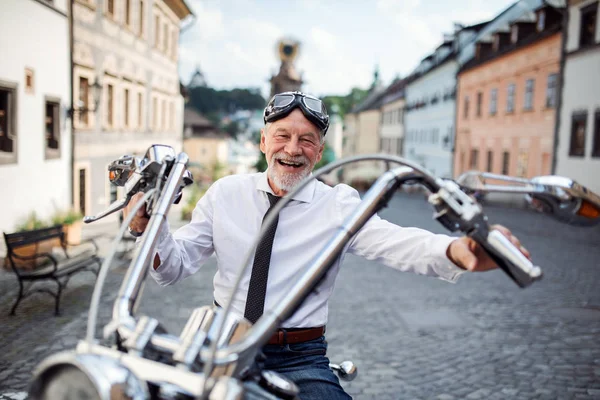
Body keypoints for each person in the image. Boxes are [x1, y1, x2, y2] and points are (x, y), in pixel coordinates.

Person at [124, 91, 530, 399]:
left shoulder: (337, 204)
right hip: (219, 342)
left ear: (319, 151)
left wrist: (459, 251)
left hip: (300, 356)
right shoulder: (225, 193)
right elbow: (171, 266)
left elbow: (398, 242)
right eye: (282, 136)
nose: (293, 149)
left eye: (307, 139)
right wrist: (149, 226)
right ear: (263, 142)